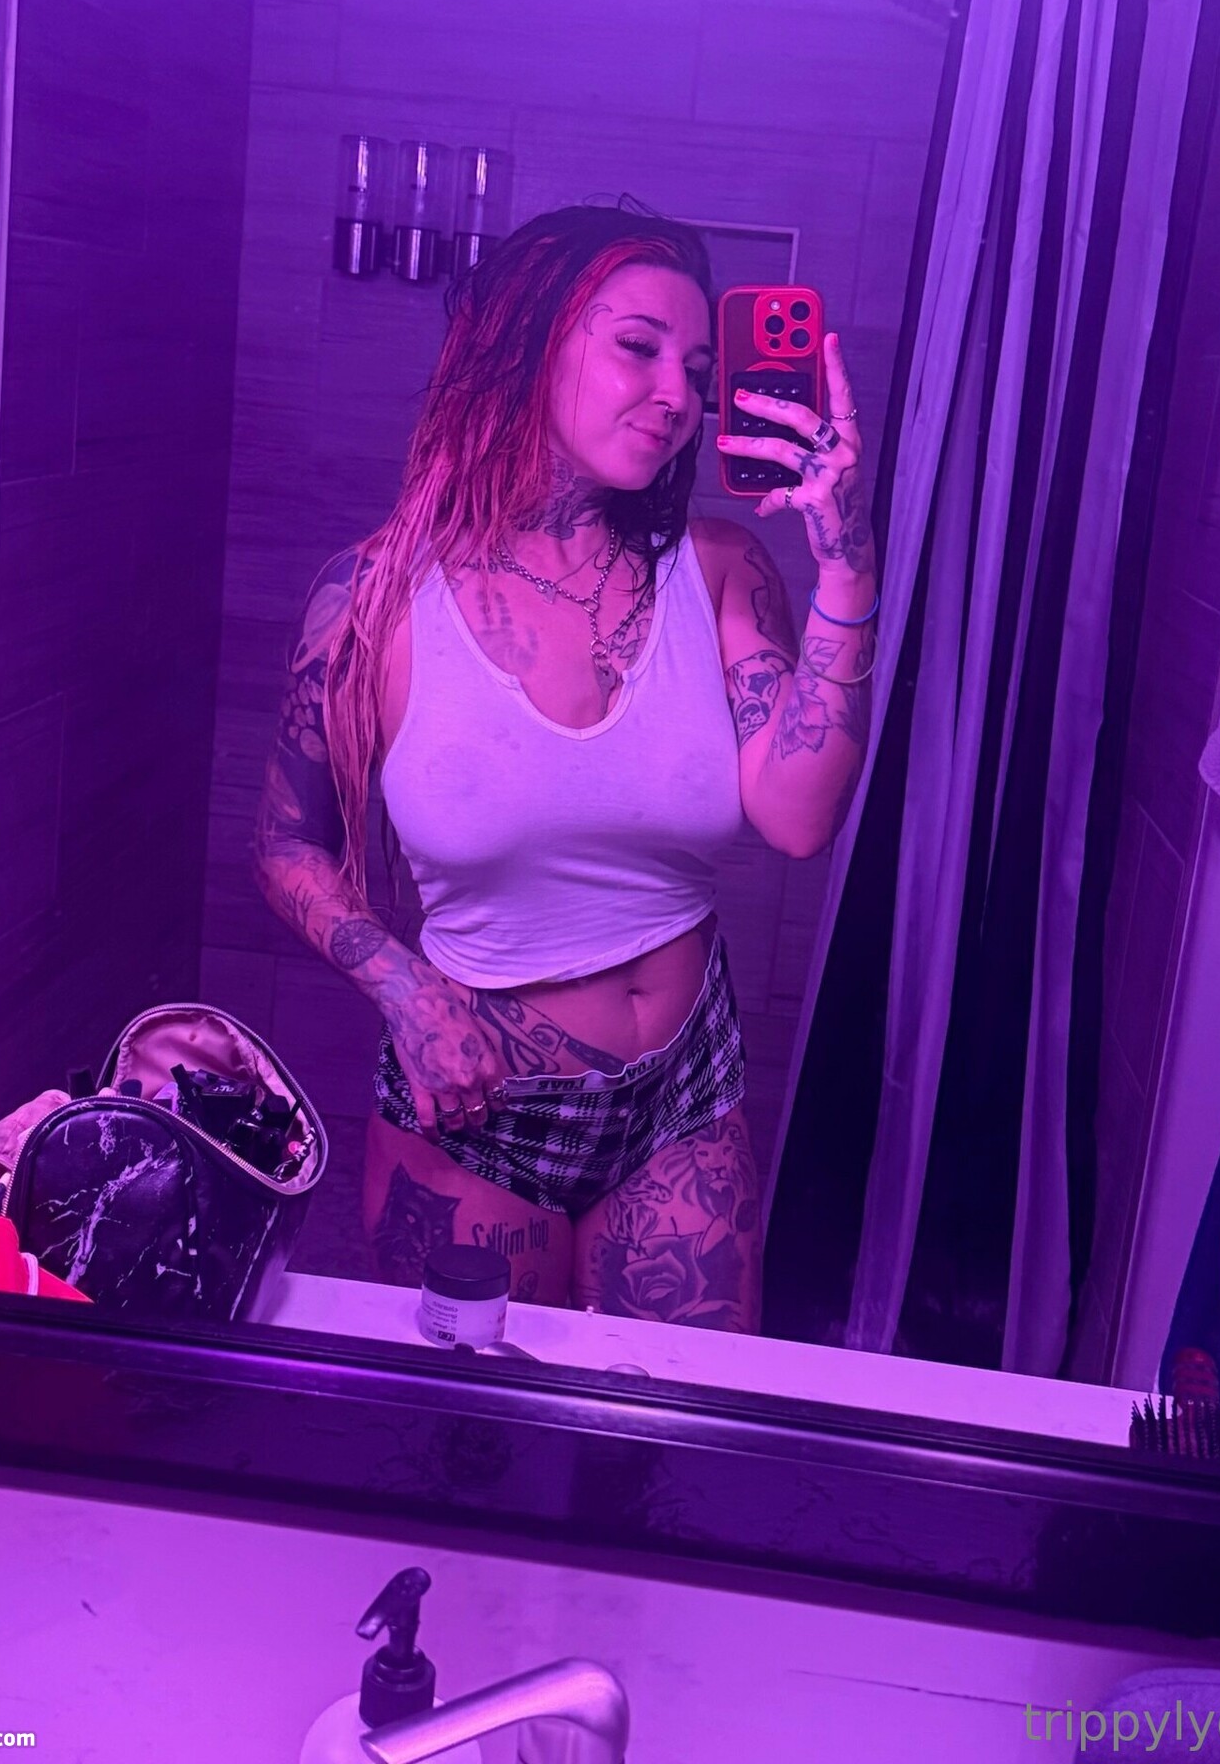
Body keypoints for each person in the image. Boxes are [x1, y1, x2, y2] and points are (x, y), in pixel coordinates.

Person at [255, 206, 876, 1333]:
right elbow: (290, 846)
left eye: (698, 372)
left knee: (676, 1429)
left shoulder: (721, 571)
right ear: (526, 342)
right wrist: (401, 987)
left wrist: (844, 564)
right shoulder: (376, 600)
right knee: (466, 1429)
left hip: (684, 1098)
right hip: (477, 1112)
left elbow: (798, 817)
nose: (678, 395)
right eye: (638, 347)